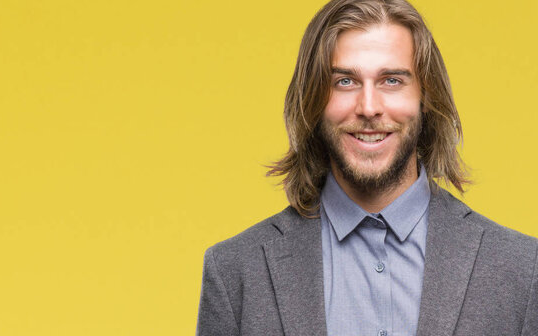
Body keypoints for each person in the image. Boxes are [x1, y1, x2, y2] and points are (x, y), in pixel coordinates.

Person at [196, 0, 538, 335]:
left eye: (392, 80)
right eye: (345, 81)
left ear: (425, 98)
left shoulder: (522, 270)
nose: (369, 107)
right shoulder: (235, 271)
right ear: (312, 99)